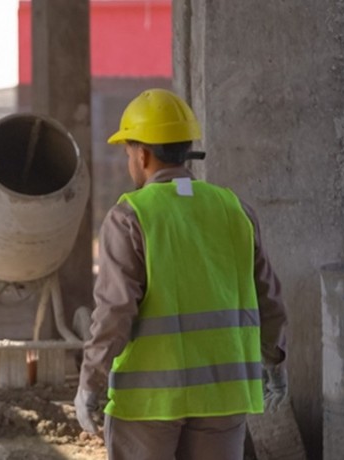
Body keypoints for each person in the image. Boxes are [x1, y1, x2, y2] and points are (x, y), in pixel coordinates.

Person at [74, 88, 288, 460]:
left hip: (148, 402)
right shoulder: (234, 209)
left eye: (128, 152)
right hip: (223, 396)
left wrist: (90, 384)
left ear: (142, 154)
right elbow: (268, 297)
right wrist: (275, 361)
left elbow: (114, 312)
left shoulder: (130, 217)